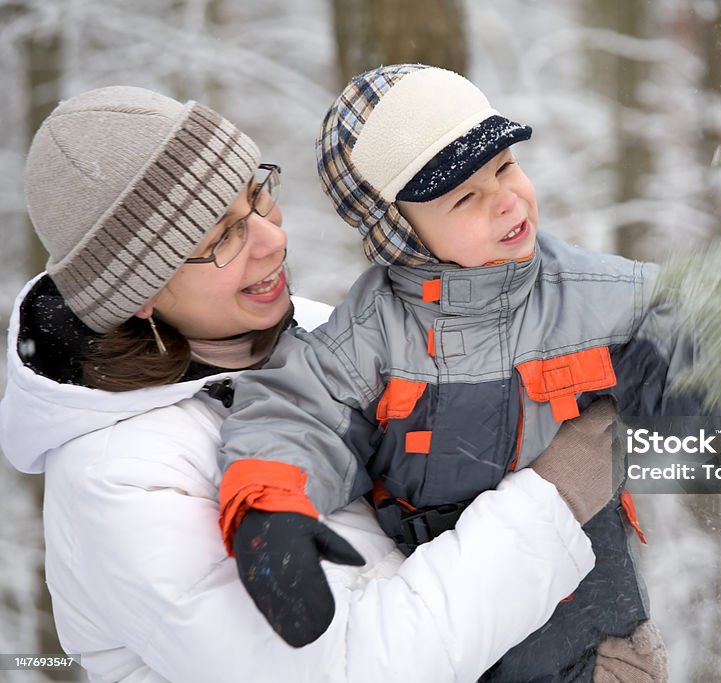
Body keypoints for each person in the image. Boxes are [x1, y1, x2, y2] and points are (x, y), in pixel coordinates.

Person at [0, 85, 648, 682]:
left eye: (257, 196)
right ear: (137, 294)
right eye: (223, 236)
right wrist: (557, 493)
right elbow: (353, 668)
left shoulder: (302, 328)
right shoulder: (119, 479)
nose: (271, 238)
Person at [218, 64, 692, 682]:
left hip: (600, 645)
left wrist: (678, 366)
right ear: (399, 233)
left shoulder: (595, 298)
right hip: (462, 651)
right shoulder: (373, 337)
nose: (505, 199)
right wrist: (270, 511)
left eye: (505, 167)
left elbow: (695, 319)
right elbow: (297, 413)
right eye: (464, 196)